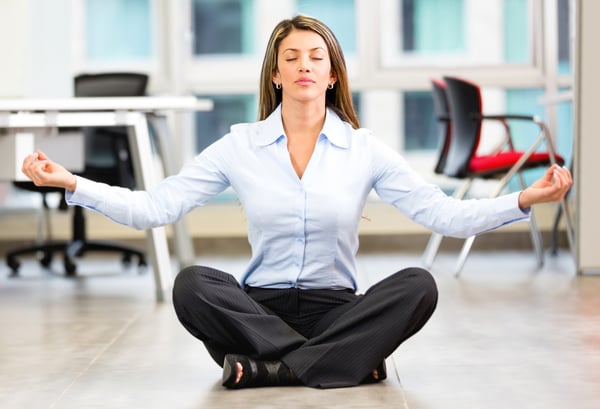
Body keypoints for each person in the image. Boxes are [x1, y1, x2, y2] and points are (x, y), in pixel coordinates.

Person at [21, 15, 572, 390]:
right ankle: (342, 359)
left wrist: (523, 198)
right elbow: (155, 207)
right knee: (192, 284)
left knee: (418, 286)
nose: (305, 65)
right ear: (277, 73)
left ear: (332, 75)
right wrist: (73, 182)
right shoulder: (239, 145)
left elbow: (444, 215)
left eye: (317, 57)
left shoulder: (364, 148)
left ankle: (271, 372)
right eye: (293, 57)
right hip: (258, 312)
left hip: (337, 305)